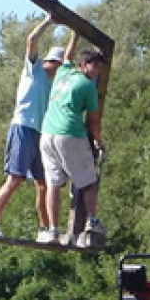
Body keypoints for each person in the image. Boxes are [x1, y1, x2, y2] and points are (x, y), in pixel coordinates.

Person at [0, 13, 64, 243]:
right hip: (22, 127)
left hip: (40, 133)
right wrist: (48, 21)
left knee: (43, 184)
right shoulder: (34, 69)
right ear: (52, 62)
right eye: (58, 65)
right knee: (14, 178)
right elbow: (31, 40)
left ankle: (44, 229)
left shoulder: (52, 85)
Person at [40, 37, 107, 248]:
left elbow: (67, 56)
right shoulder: (88, 86)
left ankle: (52, 230)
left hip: (47, 134)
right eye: (93, 65)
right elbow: (94, 121)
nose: (97, 70)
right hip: (69, 134)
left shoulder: (63, 73)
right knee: (88, 181)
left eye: (99, 67)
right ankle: (92, 222)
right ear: (83, 65)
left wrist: (74, 35)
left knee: (53, 183)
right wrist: (98, 142)